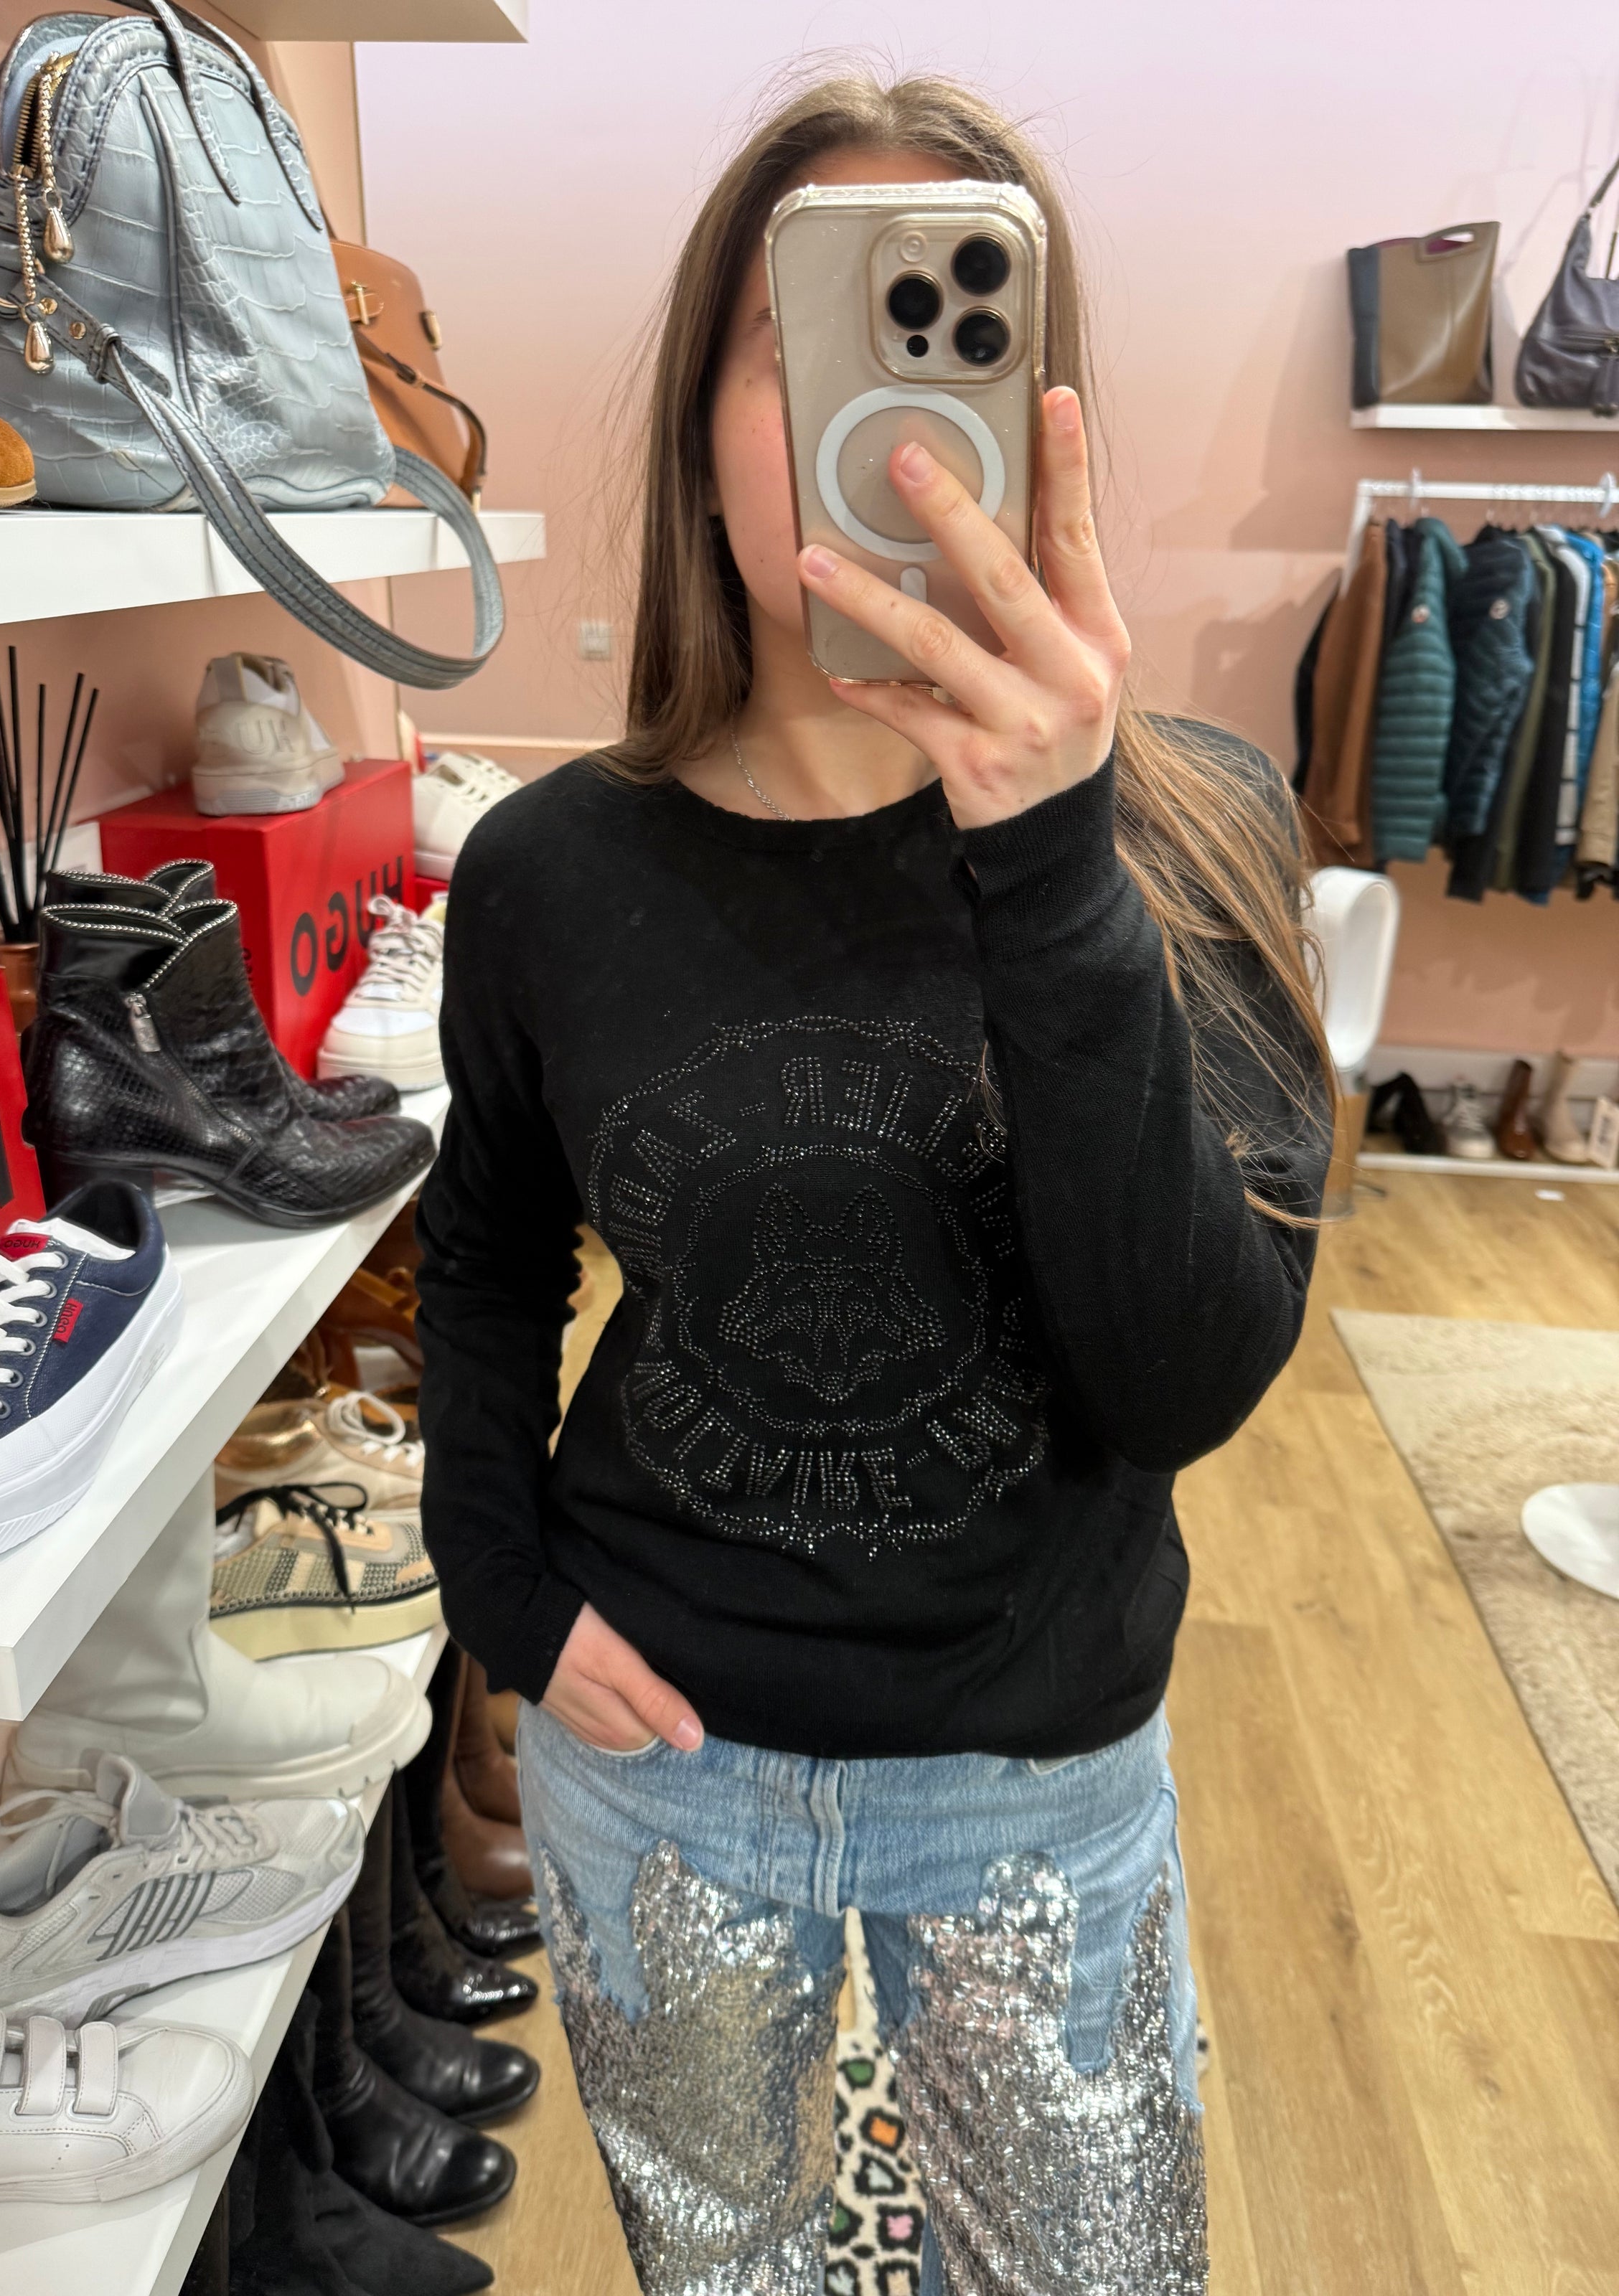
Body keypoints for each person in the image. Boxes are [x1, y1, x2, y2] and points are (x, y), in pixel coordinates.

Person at [416, 70, 1331, 2296]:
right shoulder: (549, 871)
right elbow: (491, 1247)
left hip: (1036, 1766)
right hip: (661, 1755)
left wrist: (1052, 851)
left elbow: (1185, 1379)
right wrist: (497, 1590)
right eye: (805, 340)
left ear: (1046, 422)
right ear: (703, 428)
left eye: (957, 338)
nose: (891, 431)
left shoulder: (1192, 832)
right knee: (723, 2263)